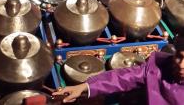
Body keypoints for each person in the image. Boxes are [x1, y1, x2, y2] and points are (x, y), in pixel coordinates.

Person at [53, 35, 184, 105]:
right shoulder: (160, 66)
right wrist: (84, 87)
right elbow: (124, 77)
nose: (181, 65)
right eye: (179, 56)